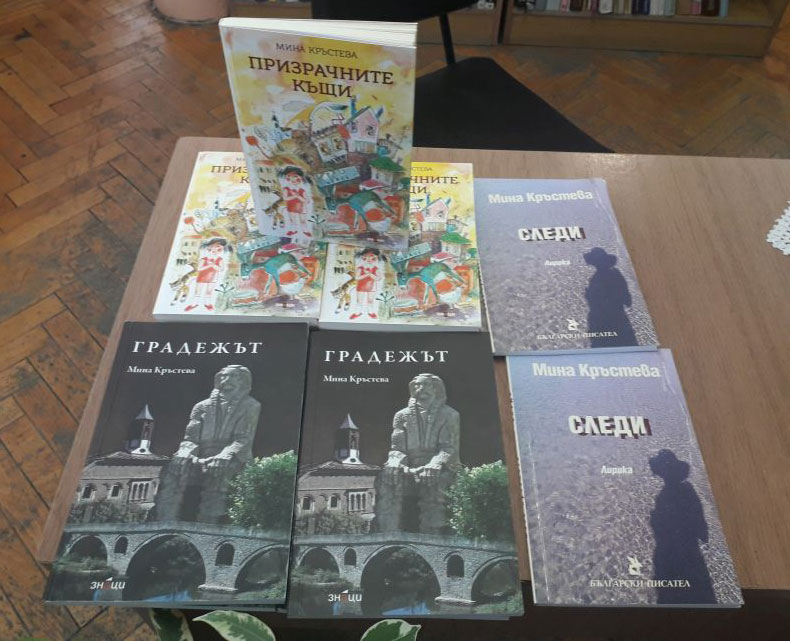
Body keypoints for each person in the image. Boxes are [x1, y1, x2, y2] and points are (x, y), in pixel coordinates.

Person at [154, 365, 260, 524]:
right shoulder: (201, 406)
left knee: (218, 473)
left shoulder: (251, 406)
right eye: (224, 376)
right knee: (174, 468)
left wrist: (225, 455)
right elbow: (190, 438)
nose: (226, 380)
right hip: (200, 456)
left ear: (243, 381)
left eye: (233, 376)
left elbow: (243, 439)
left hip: (233, 457)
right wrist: (185, 452)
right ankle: (164, 523)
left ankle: (207, 527)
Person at [375, 374, 460, 534]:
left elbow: (449, 448)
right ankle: (388, 533)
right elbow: (397, 448)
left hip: (441, 466)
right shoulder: (401, 415)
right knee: (387, 476)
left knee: (435, 480)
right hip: (409, 467)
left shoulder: (450, 415)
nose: (420, 389)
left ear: (435, 388)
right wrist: (395, 462)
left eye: (426, 385)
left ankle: (433, 537)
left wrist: (435, 463)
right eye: (417, 385)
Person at [350, 248, 383, 320]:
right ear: (363, 258)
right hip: (361, 286)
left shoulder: (375, 268)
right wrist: (366, 275)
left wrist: (371, 275)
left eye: (371, 257)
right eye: (367, 257)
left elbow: (379, 278)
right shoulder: (360, 268)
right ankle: (357, 313)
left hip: (372, 286)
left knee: (370, 300)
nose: (369, 259)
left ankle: (370, 312)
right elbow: (357, 277)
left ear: (374, 258)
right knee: (359, 300)